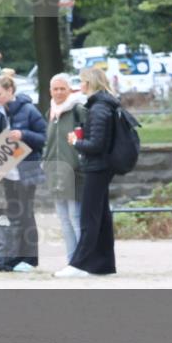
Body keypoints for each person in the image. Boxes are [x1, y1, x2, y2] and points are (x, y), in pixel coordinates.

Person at [58, 67, 120, 277]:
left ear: (90, 83)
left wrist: (77, 141)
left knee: (88, 218)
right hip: (101, 167)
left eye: (82, 82)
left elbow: (96, 144)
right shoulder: (101, 105)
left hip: (97, 168)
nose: (80, 85)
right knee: (101, 218)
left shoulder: (99, 108)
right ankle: (104, 265)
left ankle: (79, 264)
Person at [0, 75, 47, 267]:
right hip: (8, 171)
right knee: (14, 213)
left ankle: (30, 258)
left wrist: (23, 134)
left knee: (27, 214)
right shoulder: (1, 112)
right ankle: (16, 254)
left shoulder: (29, 109)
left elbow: (44, 137)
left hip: (26, 170)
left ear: (10, 91)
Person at [43, 73, 86, 265]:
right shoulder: (50, 112)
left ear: (69, 90)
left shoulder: (77, 109)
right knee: (64, 220)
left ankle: (82, 260)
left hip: (74, 171)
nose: (59, 92)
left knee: (76, 218)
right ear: (50, 91)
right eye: (55, 89)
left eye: (63, 88)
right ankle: (71, 260)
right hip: (55, 172)